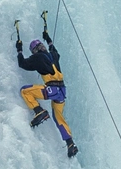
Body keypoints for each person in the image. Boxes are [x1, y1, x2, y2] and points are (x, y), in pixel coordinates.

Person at [16, 14, 78, 158]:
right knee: (58, 118)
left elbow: (22, 64)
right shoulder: (53, 55)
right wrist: (47, 37)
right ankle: (70, 144)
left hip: (52, 90)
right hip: (62, 91)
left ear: (35, 50)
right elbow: (53, 48)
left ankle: (39, 111)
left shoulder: (37, 57)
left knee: (25, 91)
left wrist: (19, 49)